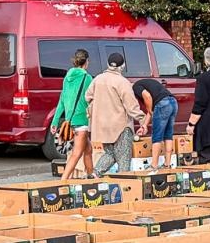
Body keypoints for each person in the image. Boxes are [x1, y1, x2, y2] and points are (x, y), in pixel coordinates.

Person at [83, 52, 144, 176]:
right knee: (123, 159)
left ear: (108, 64)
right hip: (120, 127)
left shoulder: (98, 79)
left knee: (110, 154)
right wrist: (143, 119)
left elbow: (87, 97)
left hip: (102, 126)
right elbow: (131, 107)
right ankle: (124, 182)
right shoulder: (123, 82)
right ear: (122, 66)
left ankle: (95, 174)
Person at [53, 49, 94, 179]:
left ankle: (91, 177)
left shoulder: (67, 78)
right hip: (81, 119)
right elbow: (91, 98)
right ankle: (63, 181)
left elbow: (62, 100)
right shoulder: (87, 78)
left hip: (69, 119)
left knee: (88, 150)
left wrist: (55, 121)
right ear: (86, 61)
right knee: (76, 154)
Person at [133, 72, 178, 169]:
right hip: (173, 102)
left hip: (162, 103)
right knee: (168, 134)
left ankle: (154, 165)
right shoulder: (146, 84)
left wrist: (150, 110)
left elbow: (147, 97)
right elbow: (150, 109)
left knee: (157, 136)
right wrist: (144, 126)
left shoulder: (135, 87)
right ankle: (167, 164)